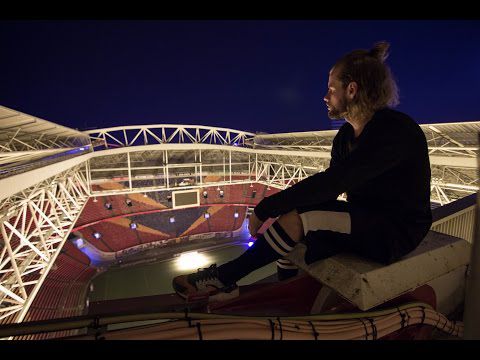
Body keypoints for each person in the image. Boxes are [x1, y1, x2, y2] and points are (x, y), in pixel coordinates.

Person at [172, 41, 432, 302]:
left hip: (397, 232)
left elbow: (333, 182)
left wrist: (267, 207)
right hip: (366, 220)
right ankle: (288, 292)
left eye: (331, 89)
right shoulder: (344, 137)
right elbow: (329, 190)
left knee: (301, 218)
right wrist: (287, 210)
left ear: (351, 90)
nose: (325, 96)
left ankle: (225, 278)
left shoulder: (394, 130)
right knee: (293, 220)